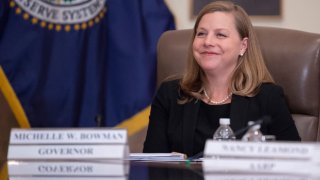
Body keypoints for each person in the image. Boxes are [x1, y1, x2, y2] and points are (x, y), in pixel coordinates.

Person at [143, 1, 301, 157]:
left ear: (243, 46)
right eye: (201, 33)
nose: (208, 42)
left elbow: (296, 163)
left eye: (220, 35)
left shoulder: (268, 97)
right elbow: (151, 164)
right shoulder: (170, 94)